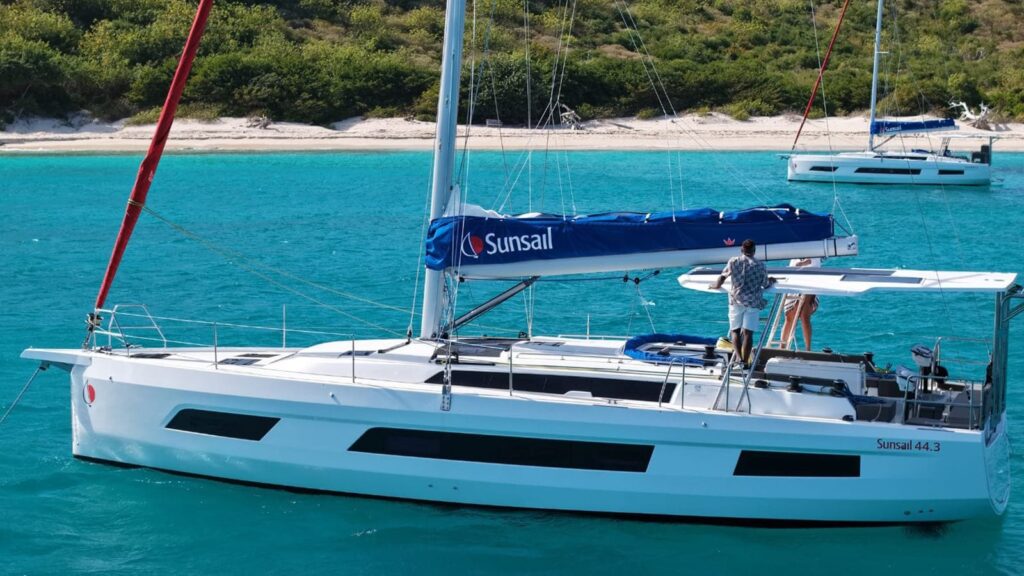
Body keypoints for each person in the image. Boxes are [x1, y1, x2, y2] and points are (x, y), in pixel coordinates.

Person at [709, 239, 775, 367]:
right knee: (748, 333)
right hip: (753, 302)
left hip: (736, 300)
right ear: (754, 251)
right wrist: (771, 280)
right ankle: (745, 361)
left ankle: (738, 358)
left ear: (741, 250)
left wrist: (715, 286)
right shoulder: (760, 265)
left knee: (735, 331)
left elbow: (723, 277)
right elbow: (765, 285)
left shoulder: (734, 261)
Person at [780, 257, 820, 351]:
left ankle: (808, 349)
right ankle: (782, 347)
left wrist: (803, 263)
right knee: (789, 316)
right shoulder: (794, 255)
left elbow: (814, 261)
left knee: (804, 316)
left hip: (811, 281)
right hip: (795, 281)